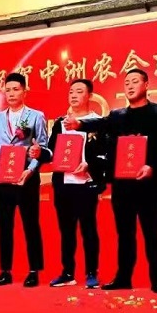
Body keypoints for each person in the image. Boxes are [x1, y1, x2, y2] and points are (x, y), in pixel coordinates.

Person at [64, 68, 157, 294]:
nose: (130, 86)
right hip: (123, 184)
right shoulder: (117, 115)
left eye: (135, 81)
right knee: (124, 233)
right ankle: (123, 278)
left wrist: (151, 166)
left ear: (146, 85)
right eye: (127, 83)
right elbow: (100, 123)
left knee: (151, 232)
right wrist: (80, 125)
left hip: (147, 182)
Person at [0, 73, 52, 287]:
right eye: (8, 90)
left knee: (31, 225)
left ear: (24, 91)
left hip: (26, 178)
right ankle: (5, 270)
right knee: (4, 226)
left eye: (16, 89)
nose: (11, 93)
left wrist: (30, 170)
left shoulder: (36, 116)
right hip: (2, 178)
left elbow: (42, 148)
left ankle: (34, 271)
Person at [47, 79, 107, 289]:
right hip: (63, 183)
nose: (73, 95)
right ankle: (67, 273)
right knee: (66, 231)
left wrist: (89, 165)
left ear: (89, 96)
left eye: (79, 91)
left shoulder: (98, 123)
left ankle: (91, 273)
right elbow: (51, 151)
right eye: (71, 91)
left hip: (86, 184)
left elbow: (107, 155)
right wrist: (38, 153)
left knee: (88, 229)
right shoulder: (60, 123)